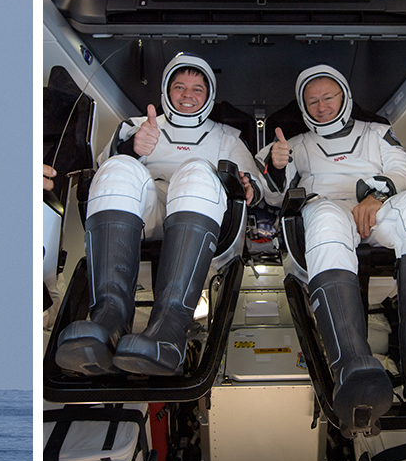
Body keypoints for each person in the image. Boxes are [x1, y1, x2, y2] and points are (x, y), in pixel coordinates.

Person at [256, 64, 406, 435]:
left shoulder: (377, 133)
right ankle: (351, 361)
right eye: (312, 102)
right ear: (303, 107)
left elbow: (404, 172)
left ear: (345, 96)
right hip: (326, 211)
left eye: (328, 97)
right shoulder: (292, 145)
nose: (321, 106)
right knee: (323, 213)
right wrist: (275, 165)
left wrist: (377, 195)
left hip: (378, 208)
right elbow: (272, 194)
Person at [55, 53, 262, 376]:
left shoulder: (227, 138)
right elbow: (100, 170)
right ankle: (109, 317)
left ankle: (170, 328)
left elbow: (254, 183)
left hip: (202, 214)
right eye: (180, 87)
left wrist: (248, 185)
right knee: (118, 167)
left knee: (195, 171)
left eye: (197, 89)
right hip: (147, 214)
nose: (187, 96)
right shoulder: (136, 127)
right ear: (166, 90)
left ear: (209, 95)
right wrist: (132, 149)